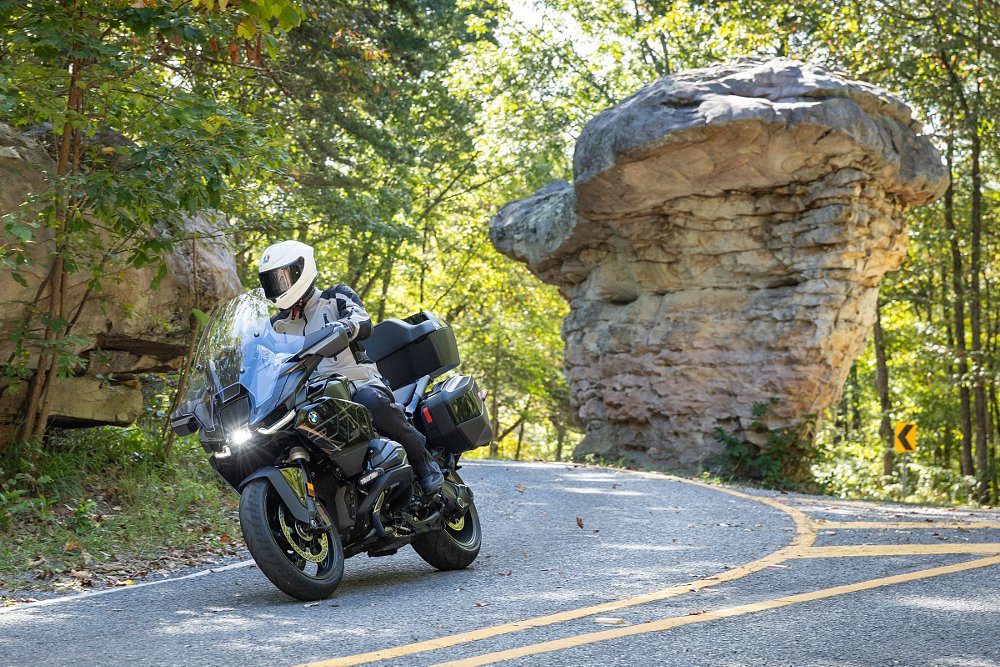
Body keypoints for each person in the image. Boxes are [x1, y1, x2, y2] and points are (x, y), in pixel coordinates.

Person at [257, 240, 444, 495]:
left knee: (372, 402)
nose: (278, 286)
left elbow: (362, 320)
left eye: (282, 278)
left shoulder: (334, 297)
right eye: (271, 281)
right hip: (309, 396)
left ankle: (423, 462)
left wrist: (347, 327)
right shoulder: (276, 325)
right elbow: (256, 354)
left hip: (358, 382)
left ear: (302, 270)